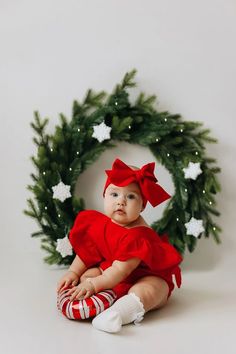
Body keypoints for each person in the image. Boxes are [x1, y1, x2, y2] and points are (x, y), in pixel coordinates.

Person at [57, 158, 182, 333]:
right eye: (114, 194)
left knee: (149, 290)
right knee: (88, 274)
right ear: (104, 195)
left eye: (131, 196)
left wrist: (93, 285)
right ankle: (96, 303)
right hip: (111, 273)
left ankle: (116, 314)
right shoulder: (100, 224)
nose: (120, 201)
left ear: (143, 206)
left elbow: (119, 271)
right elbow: (88, 252)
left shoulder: (138, 236)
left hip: (142, 275)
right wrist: (74, 272)